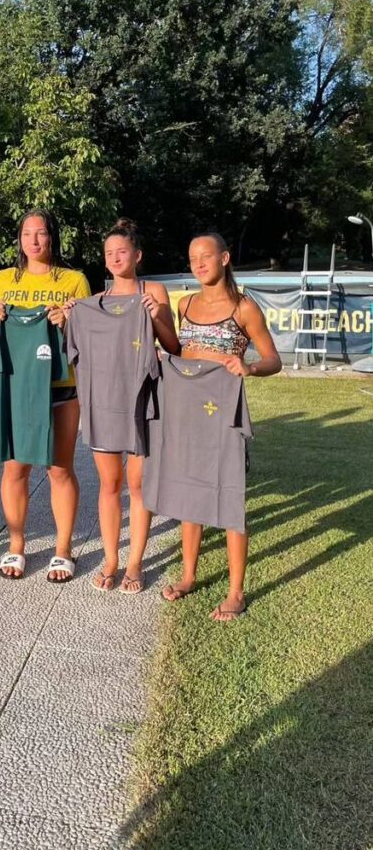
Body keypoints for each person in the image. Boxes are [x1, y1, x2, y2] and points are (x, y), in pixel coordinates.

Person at [161, 231, 281, 621]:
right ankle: (188, 576)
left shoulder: (244, 308)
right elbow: (179, 352)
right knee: (189, 497)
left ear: (225, 259)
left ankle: (235, 592)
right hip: (186, 415)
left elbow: (273, 359)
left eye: (206, 256)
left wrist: (249, 367)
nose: (198, 264)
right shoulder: (185, 304)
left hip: (224, 416)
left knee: (230, 501)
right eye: (192, 257)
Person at [67, 218, 181, 594]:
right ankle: (111, 559)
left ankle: (134, 564)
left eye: (122, 252)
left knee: (138, 484)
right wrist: (67, 316)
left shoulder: (154, 291)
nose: (115, 258)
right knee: (110, 484)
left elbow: (173, 345)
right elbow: (72, 348)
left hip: (142, 400)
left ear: (138, 255)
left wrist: (157, 315)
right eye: (109, 253)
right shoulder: (90, 306)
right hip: (102, 403)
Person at [0, 209, 91, 582]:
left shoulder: (74, 280)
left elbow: (90, 335)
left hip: (61, 386)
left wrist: (70, 320)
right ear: (19, 239)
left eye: (41, 232)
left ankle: (63, 549)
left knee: (59, 468)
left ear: (52, 237)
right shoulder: (2, 280)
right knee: (15, 467)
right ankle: (16, 545)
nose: (34, 240)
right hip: (17, 387)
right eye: (27, 233)